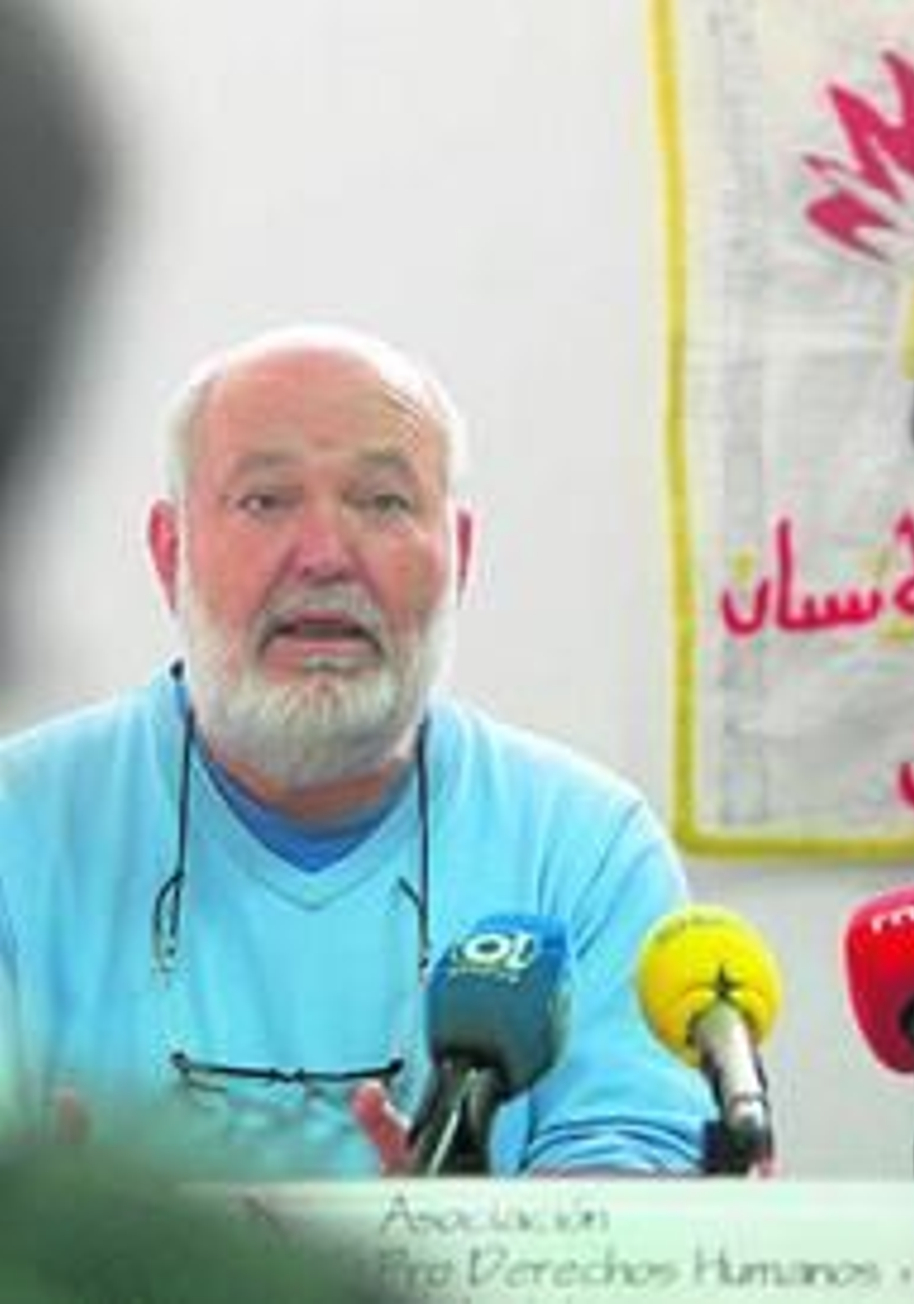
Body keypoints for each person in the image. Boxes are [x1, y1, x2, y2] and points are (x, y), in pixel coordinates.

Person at [0, 322, 713, 1178]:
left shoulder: (585, 850)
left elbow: (635, 1189)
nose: (325, 557)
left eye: (383, 503)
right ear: (170, 550)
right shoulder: (20, 828)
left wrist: (463, 1237)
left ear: (460, 556)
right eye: (265, 500)